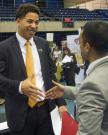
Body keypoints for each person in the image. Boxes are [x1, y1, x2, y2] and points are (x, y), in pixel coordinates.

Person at [45, 21, 108, 135]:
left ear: (87, 47)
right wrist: (65, 90)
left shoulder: (92, 84)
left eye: (80, 43)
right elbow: (100, 95)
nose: (79, 46)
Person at [0, 3, 67, 135]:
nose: (34, 26)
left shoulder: (43, 44)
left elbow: (50, 76)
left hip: (46, 111)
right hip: (20, 114)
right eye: (29, 21)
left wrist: (61, 103)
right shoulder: (4, 48)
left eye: (37, 22)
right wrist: (19, 86)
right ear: (18, 21)